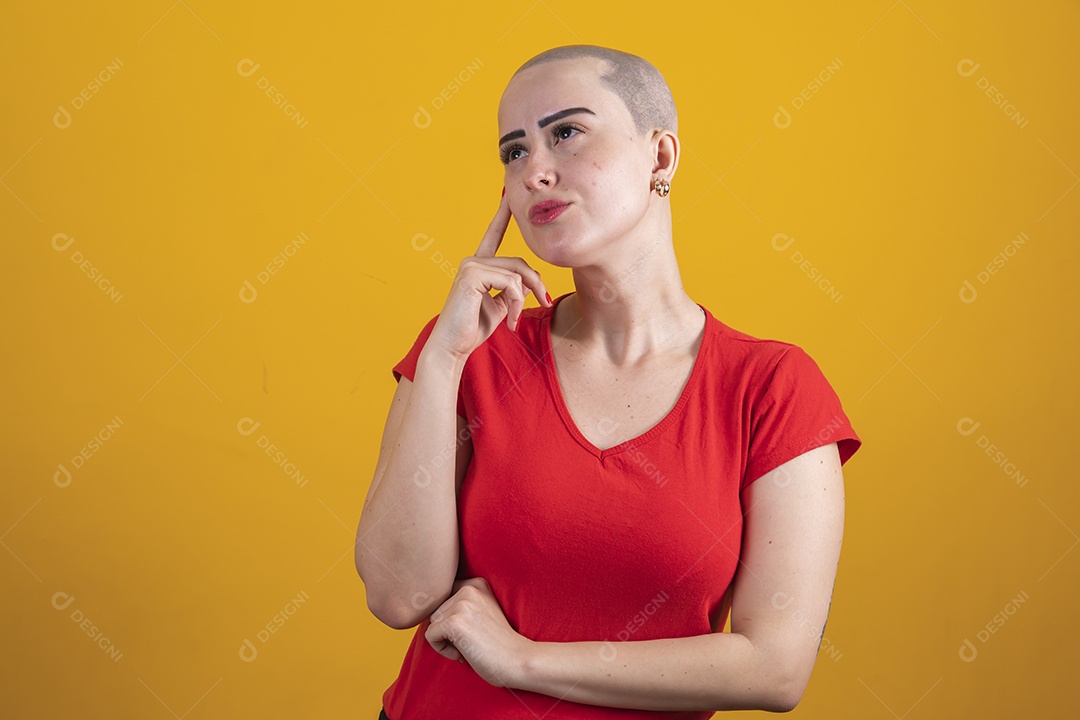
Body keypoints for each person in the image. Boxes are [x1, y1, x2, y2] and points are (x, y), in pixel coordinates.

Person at [355, 44, 862, 719]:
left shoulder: (771, 388)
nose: (534, 170)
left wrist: (522, 661)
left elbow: (774, 668)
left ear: (660, 157)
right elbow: (396, 597)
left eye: (566, 132)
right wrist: (445, 357)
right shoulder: (472, 350)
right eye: (512, 151)